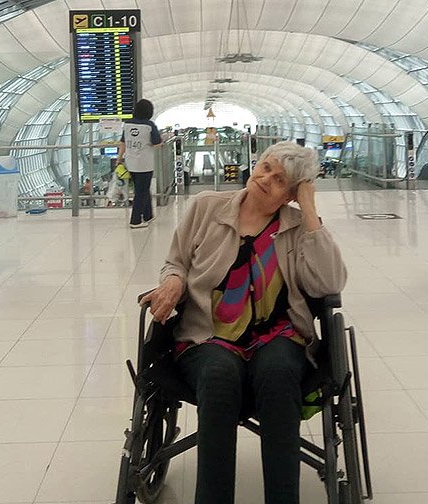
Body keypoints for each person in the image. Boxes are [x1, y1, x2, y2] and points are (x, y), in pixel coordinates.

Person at [141, 141, 347, 504]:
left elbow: (329, 283)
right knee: (219, 376)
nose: (266, 178)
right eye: (265, 167)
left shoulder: (299, 227)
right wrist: (173, 281)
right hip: (207, 335)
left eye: (281, 180)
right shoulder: (206, 206)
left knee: (280, 373)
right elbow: (175, 262)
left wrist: (310, 209)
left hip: (279, 334)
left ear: (290, 195)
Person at [118, 99, 163, 228]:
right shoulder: (149, 125)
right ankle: (135, 220)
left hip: (131, 163)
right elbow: (157, 143)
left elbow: (123, 143)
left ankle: (148, 215)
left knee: (142, 189)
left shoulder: (127, 124)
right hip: (144, 164)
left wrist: (119, 158)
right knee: (141, 192)